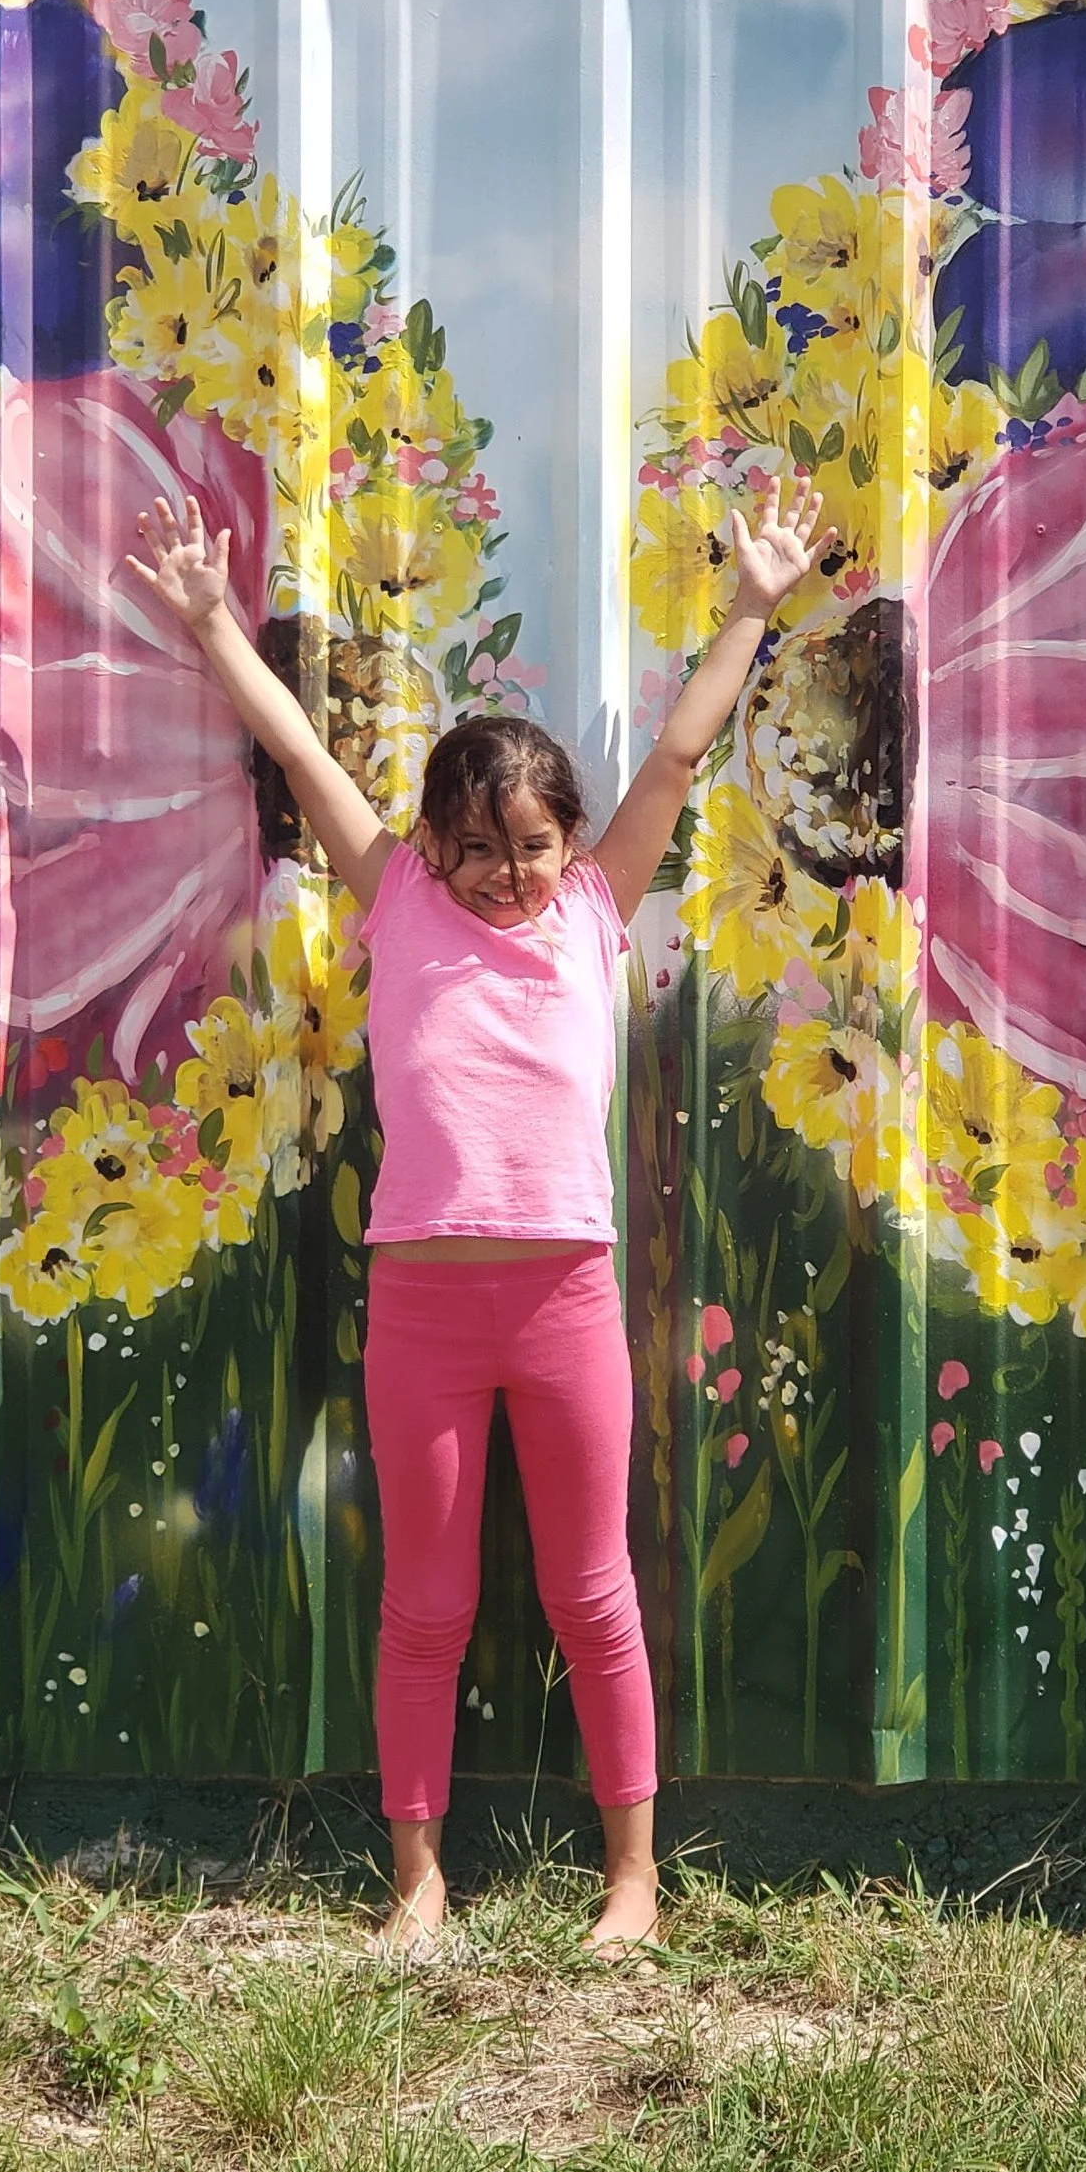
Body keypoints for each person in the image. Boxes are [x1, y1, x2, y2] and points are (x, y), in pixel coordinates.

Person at [126, 472, 825, 1952]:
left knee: (594, 1592)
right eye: (477, 846)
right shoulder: (395, 902)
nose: (506, 874)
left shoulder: (593, 909)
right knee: (427, 1604)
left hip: (566, 1296)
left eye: (531, 844)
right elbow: (301, 749)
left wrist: (755, 604)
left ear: (569, 843)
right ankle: (418, 1884)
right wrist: (204, 619)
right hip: (429, 1308)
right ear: (430, 844)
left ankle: (633, 1881)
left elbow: (684, 756)